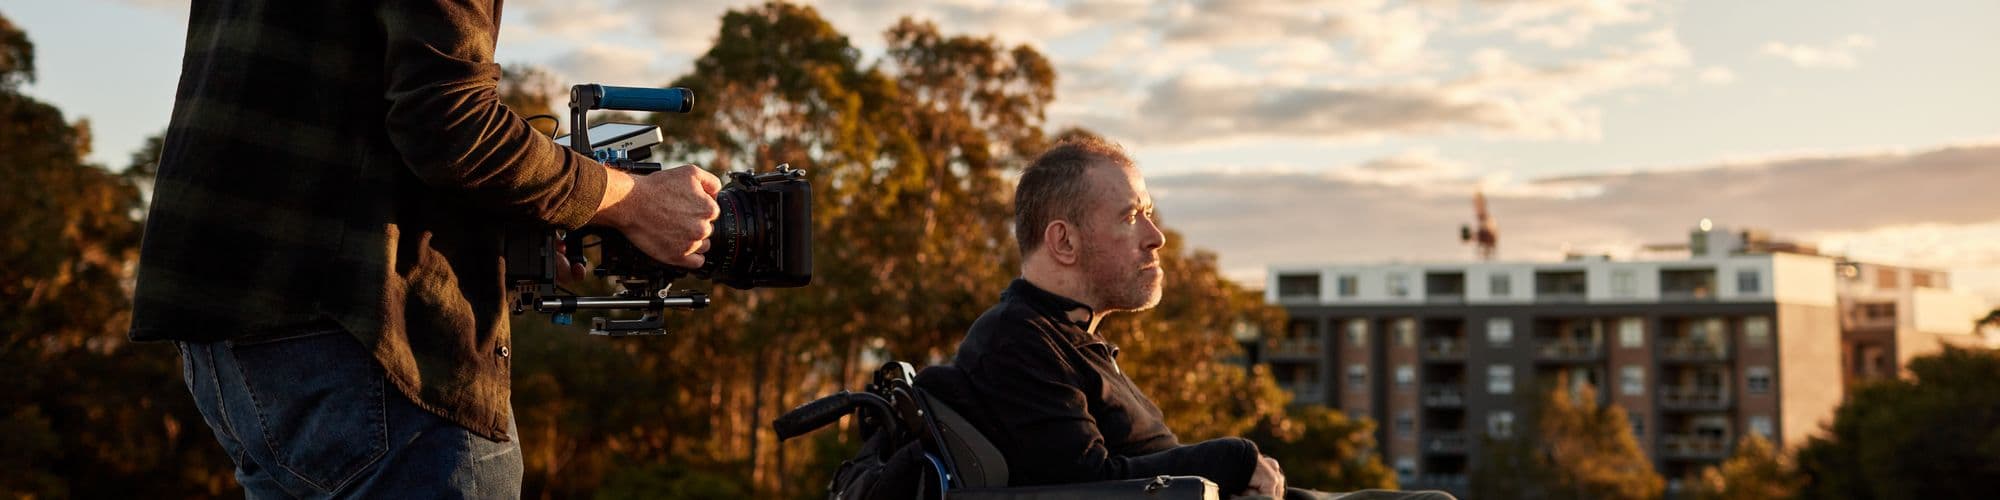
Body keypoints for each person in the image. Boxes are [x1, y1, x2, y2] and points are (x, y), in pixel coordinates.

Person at [127, 2, 717, 496]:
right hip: (368, 348)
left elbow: (346, 109)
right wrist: (632, 200)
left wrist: (528, 216)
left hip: (233, 340)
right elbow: (448, 121)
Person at [945, 137, 1453, 499]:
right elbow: (1089, 484)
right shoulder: (1018, 340)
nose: (1155, 236)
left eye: (1148, 212)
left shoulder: (1071, 338)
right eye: (1130, 217)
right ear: (1063, 241)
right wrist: (1233, 460)